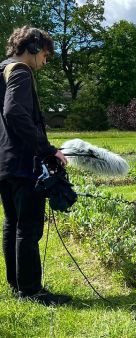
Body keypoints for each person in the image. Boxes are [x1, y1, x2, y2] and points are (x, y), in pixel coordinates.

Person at [0, 27, 71, 305]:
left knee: (12, 223)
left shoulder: (2, 69)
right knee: (28, 227)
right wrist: (48, 150)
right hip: (22, 163)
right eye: (44, 54)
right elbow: (14, 112)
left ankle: (17, 284)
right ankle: (31, 290)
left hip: (4, 162)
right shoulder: (20, 71)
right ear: (32, 47)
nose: (45, 61)